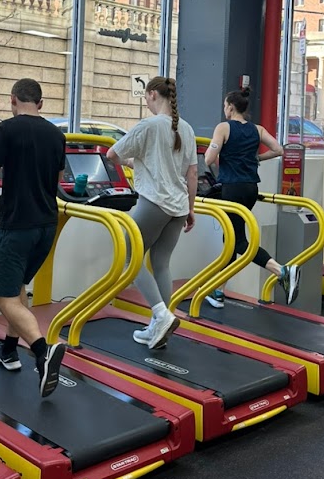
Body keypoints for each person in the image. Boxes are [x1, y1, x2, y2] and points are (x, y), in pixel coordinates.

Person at [0, 78, 67, 398]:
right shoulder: (56, 134)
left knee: (4, 299)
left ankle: (43, 352)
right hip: (47, 225)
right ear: (40, 103)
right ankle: (8, 350)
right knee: (17, 289)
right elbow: (58, 178)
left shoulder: (6, 129)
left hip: (16, 225)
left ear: (12, 100)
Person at [107, 76, 197, 349]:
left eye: (146, 97)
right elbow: (192, 173)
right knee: (161, 263)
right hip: (179, 206)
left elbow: (112, 154)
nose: (146, 101)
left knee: (129, 256)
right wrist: (191, 208)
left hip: (154, 201)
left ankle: (161, 315)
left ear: (153, 94)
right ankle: (157, 327)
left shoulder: (149, 125)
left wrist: (131, 162)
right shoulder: (187, 128)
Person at [203, 87, 300, 307]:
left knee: (238, 241)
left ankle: (282, 271)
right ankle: (218, 290)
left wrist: (217, 152)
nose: (224, 109)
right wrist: (256, 158)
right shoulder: (257, 129)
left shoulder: (223, 127)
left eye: (225, 106)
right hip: (250, 189)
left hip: (232, 189)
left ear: (230, 107)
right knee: (231, 239)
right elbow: (278, 150)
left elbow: (208, 159)